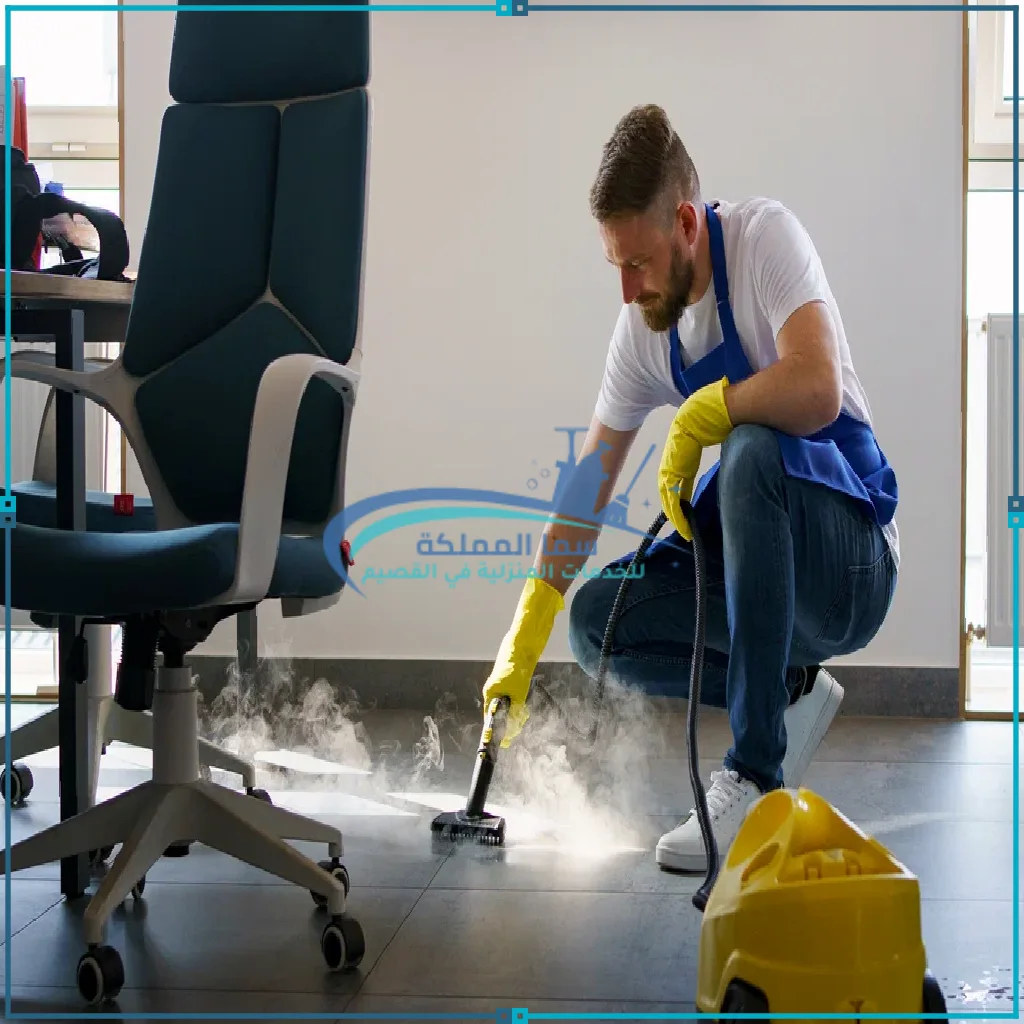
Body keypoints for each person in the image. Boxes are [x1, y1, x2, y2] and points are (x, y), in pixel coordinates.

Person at [481, 103, 898, 872]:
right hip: (765, 580)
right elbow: (589, 485)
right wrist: (526, 627)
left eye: (637, 264)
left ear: (685, 222)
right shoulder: (643, 331)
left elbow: (817, 387)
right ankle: (787, 687)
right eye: (615, 266)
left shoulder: (763, 239)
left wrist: (709, 409)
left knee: (748, 448)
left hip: (849, 565)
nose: (626, 289)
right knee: (597, 625)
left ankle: (756, 775)